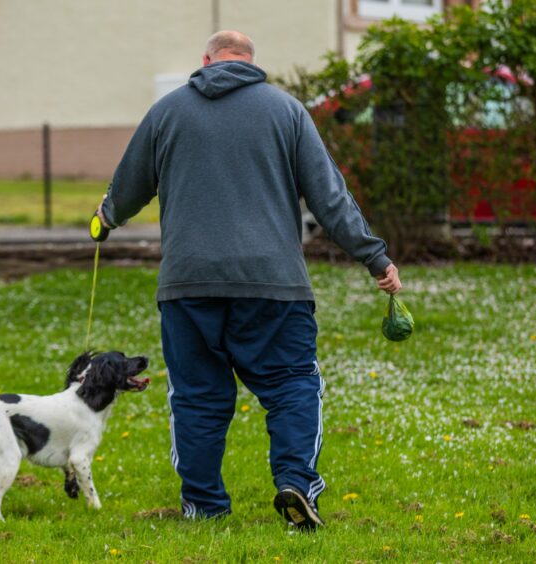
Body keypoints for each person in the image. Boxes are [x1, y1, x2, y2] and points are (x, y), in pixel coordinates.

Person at [97, 30, 401, 530]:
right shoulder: (286, 112)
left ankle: (203, 504)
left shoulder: (167, 112)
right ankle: (296, 485)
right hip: (273, 285)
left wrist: (106, 218)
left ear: (206, 61)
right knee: (292, 385)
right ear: (253, 64)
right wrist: (375, 257)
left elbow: (128, 186)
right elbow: (329, 198)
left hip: (188, 285)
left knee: (196, 396)